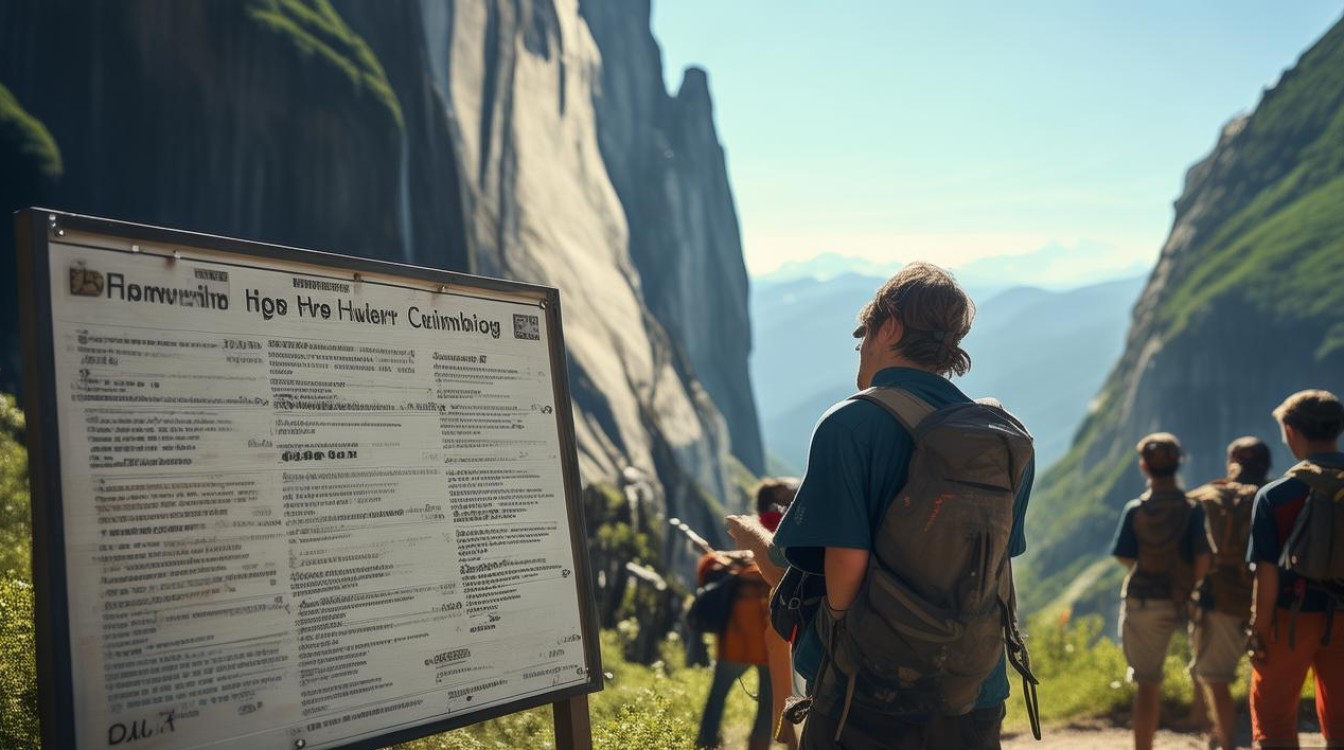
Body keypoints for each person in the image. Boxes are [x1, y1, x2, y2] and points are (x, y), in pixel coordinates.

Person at [763, 262, 1035, 750]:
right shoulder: (1002, 437)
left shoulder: (848, 424)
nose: (861, 349)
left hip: (867, 693)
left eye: (863, 334)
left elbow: (844, 562)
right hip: (973, 686)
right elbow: (999, 558)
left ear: (888, 328)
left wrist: (840, 642)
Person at [1246, 389, 1344, 747]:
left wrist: (1259, 629)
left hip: (1290, 617)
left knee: (1274, 723)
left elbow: (1266, 571)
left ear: (1290, 431)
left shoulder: (1276, 495)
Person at [1111, 432, 1212, 750]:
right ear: (1179, 462)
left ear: (1144, 466)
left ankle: (1144, 746)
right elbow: (1203, 557)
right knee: (1206, 670)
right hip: (1182, 597)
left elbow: (1124, 554)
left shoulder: (1135, 509)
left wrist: (1145, 571)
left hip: (1143, 600)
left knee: (1147, 682)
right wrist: (1188, 587)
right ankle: (1209, 731)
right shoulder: (1192, 509)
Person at [1185, 437, 1271, 750]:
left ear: (1231, 462)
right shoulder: (1275, 495)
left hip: (1217, 596)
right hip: (1269, 597)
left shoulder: (1206, 495)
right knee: (1268, 674)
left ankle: (1224, 739)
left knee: (1214, 674)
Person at [695, 483, 791, 750]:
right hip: (765, 631)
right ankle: (745, 744)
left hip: (743, 631)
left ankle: (706, 742)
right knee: (767, 699)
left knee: (724, 693)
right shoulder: (776, 529)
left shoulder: (756, 530)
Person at [726, 478, 801, 750]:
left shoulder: (758, 523)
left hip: (755, 626)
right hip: (784, 620)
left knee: (776, 695)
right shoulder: (780, 523)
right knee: (786, 695)